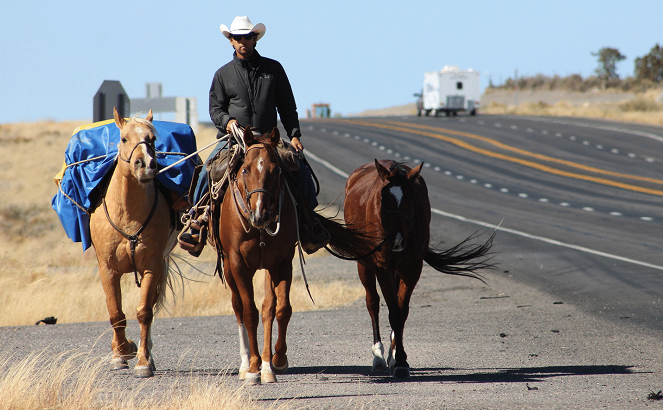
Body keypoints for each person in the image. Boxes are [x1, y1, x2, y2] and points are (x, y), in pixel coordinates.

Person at [178, 15, 329, 256]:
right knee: (208, 169)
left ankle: (310, 224)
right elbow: (215, 108)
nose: (242, 42)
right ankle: (197, 222)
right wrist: (228, 123)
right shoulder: (222, 74)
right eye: (237, 38)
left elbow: (287, 105)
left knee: (300, 169)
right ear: (231, 41)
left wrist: (295, 135)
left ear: (255, 38)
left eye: (247, 37)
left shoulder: (274, 69)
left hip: (269, 139)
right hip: (234, 139)